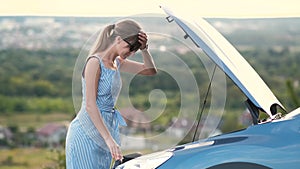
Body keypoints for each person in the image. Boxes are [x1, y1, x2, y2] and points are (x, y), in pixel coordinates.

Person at [65, 19, 157, 169]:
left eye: (135, 50)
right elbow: (90, 105)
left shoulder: (118, 63)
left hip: (106, 131)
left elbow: (150, 70)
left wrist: (145, 49)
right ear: (118, 39)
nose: (132, 53)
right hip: (86, 133)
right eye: (130, 48)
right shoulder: (95, 62)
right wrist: (109, 140)